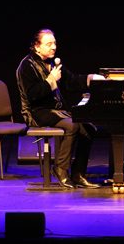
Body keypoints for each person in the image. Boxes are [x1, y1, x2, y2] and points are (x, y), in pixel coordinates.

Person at [16, 28, 105, 189]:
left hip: (55, 111)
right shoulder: (27, 65)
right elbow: (32, 95)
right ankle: (60, 169)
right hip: (36, 112)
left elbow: (71, 81)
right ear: (37, 47)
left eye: (54, 43)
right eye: (48, 44)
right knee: (72, 125)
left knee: (88, 128)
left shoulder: (53, 63)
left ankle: (78, 174)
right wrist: (50, 81)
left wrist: (91, 78)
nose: (53, 47)